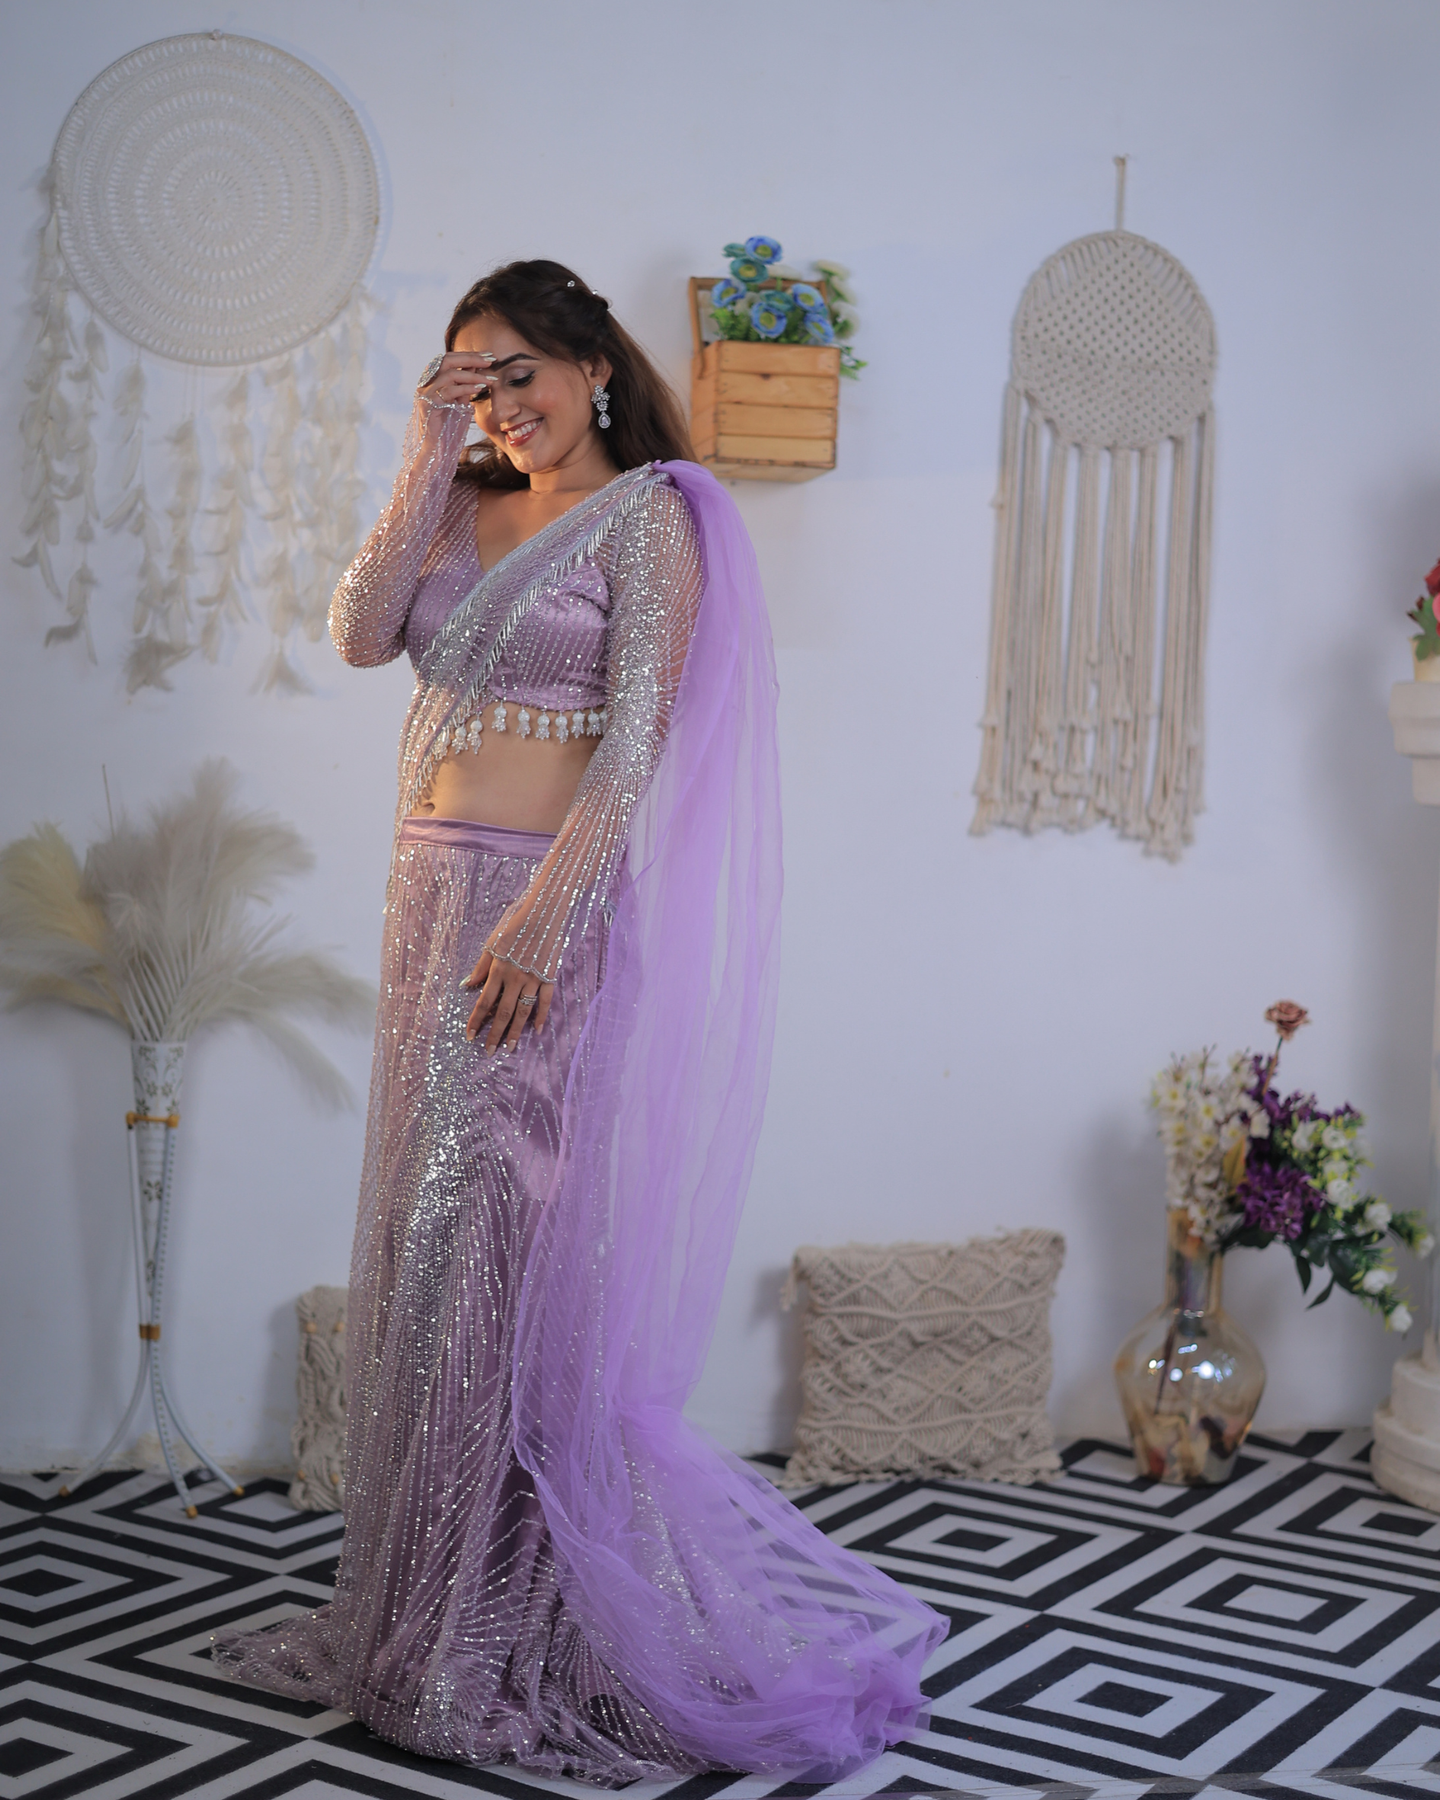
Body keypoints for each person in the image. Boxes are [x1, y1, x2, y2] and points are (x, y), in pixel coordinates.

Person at [214, 260, 945, 1785]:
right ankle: (413, 1609)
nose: (504, 407)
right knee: (424, 1256)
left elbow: (634, 747)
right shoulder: (459, 505)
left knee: (495, 1257)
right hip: (430, 910)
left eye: (521, 377)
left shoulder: (653, 517)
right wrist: (423, 457)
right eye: (471, 383)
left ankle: (500, 1623)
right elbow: (358, 633)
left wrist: (548, 919)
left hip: (542, 929)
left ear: (594, 368)